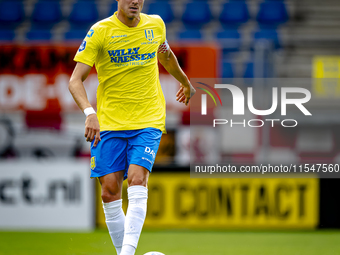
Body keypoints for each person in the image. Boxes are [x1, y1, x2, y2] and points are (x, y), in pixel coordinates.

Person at [69, 0, 196, 254]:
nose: (135, 1)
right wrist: (89, 112)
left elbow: (166, 56)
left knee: (138, 180)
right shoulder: (100, 31)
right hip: (109, 123)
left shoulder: (156, 24)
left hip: (147, 120)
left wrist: (185, 81)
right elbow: (75, 81)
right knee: (109, 192)